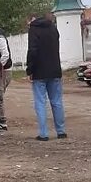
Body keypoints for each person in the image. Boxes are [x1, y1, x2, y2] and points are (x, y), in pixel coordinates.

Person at [26, 11, 67, 141]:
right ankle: (61, 131)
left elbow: (32, 51)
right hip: (55, 70)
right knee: (57, 101)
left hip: (39, 71)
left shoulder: (33, 29)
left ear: (31, 20)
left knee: (40, 102)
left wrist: (29, 70)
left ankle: (44, 134)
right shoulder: (53, 28)